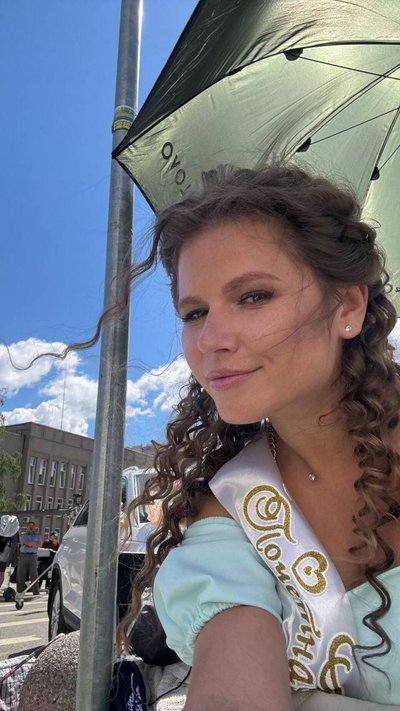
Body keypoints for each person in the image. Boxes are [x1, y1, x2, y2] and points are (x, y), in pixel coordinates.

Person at [113, 165, 400, 710]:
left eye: (253, 296)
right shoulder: (236, 503)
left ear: (347, 306)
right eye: (195, 312)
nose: (210, 339)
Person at [17, 521, 41, 595]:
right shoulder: (23, 535)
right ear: (27, 527)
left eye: (32, 526)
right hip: (23, 555)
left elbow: (39, 544)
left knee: (34, 574)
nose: (31, 527)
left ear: (34, 527)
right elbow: (26, 543)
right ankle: (20, 591)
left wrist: (30, 544)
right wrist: (33, 544)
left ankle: (35, 591)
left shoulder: (38, 536)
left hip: (33, 556)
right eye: (29, 526)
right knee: (21, 573)